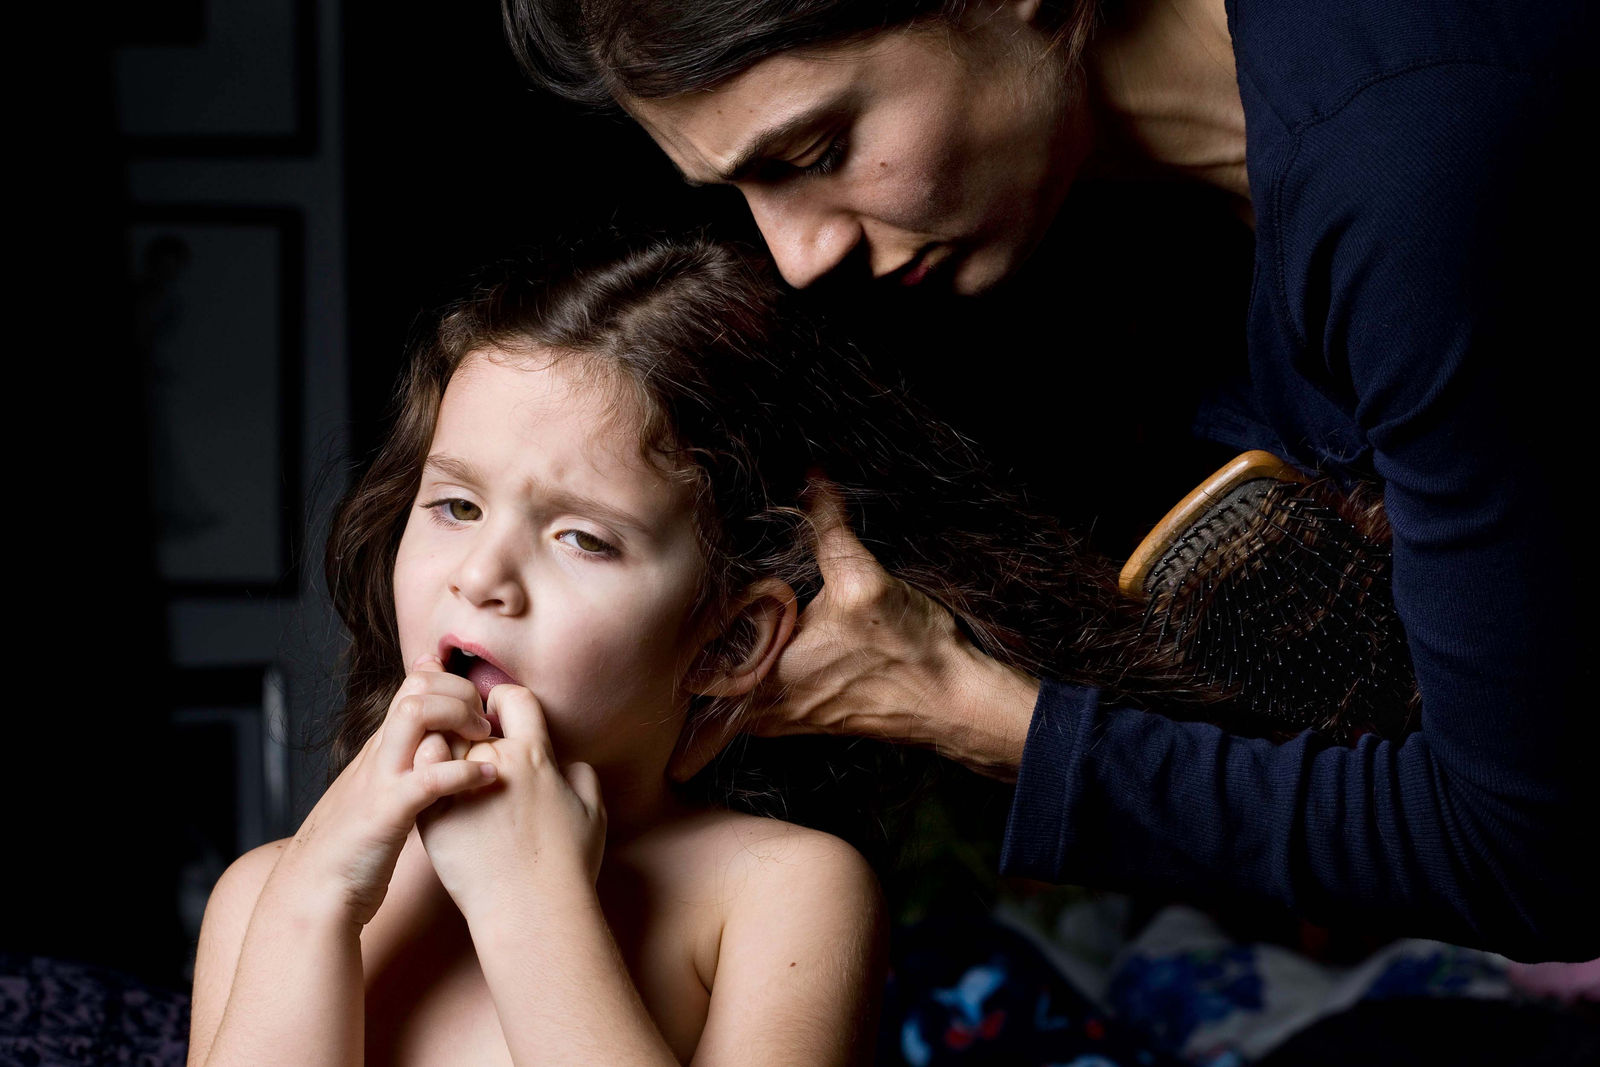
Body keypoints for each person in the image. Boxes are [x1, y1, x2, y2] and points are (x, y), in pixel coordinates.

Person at [504, 0, 1595, 960]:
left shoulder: (1402, 168)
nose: (797, 254)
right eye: (741, 187)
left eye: (819, 147)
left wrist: (966, 709)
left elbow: (1539, 858)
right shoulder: (1166, 205)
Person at [186, 240, 897, 1065]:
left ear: (727, 639)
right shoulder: (266, 893)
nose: (482, 576)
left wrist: (525, 901)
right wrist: (310, 906)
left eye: (583, 538)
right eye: (456, 505)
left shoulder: (781, 894)